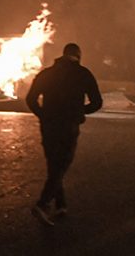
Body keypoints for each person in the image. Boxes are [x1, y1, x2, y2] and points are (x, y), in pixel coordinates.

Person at [25, 42, 103, 226]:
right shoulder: (83, 74)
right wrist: (79, 111)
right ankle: (43, 204)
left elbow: (30, 99)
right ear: (78, 56)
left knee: (54, 163)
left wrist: (43, 114)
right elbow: (97, 102)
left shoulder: (46, 73)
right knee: (63, 163)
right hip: (68, 125)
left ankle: (61, 205)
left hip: (49, 125)